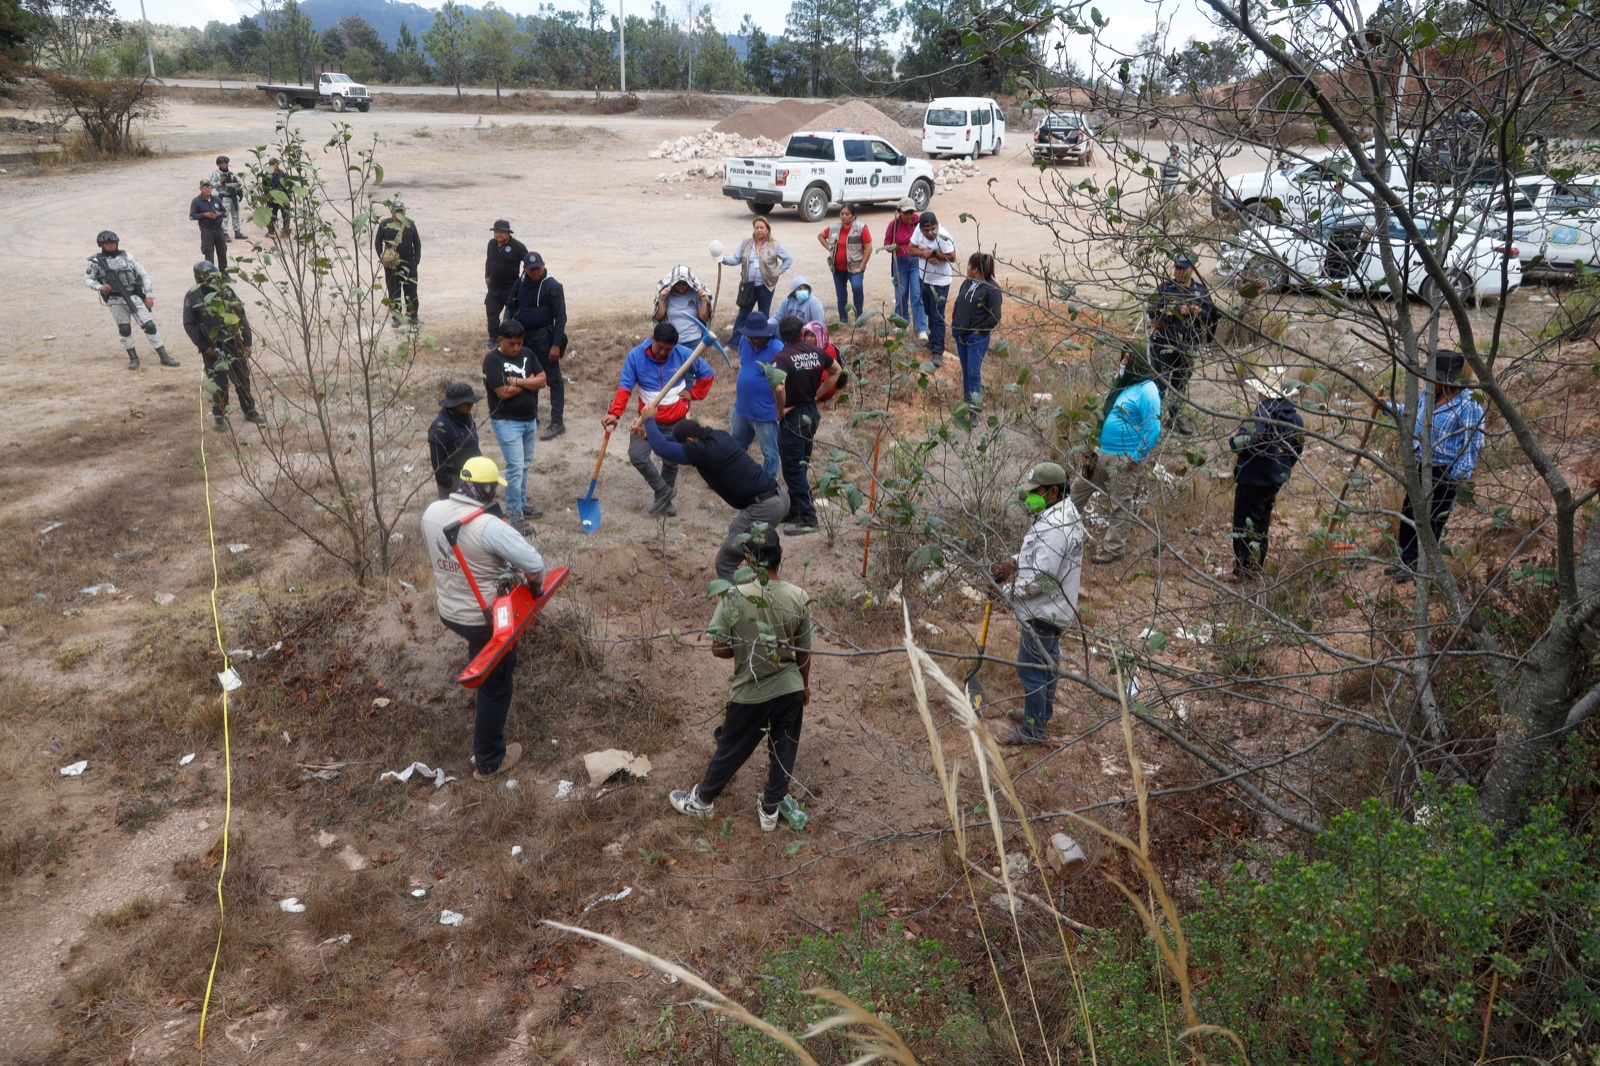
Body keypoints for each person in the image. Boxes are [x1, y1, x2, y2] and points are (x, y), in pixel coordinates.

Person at [669, 525, 811, 831]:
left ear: (747, 560)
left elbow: (718, 648)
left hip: (752, 691)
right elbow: (803, 651)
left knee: (731, 748)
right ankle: (770, 810)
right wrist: (805, 686)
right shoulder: (799, 596)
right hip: (790, 687)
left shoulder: (733, 596)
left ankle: (702, 800)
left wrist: (746, 646)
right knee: (784, 749)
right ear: (781, 552)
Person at [420, 456, 546, 780]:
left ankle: (479, 669)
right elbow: (534, 564)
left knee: (480, 651)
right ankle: (489, 760)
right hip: (483, 618)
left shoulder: (432, 512)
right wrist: (535, 587)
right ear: (488, 488)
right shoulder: (488, 527)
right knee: (497, 682)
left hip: (449, 610)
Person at [992, 462, 1084, 745]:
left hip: (1043, 612)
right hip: (1055, 610)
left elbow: (1039, 580)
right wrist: (1013, 561)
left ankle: (1033, 731)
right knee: (1047, 665)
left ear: (1053, 492)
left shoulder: (1055, 527)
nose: (1030, 497)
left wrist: (1005, 592)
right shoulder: (1064, 513)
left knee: (1031, 669)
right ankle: (1040, 715)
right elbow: (1042, 558)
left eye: (1036, 491)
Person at [637, 417, 789, 580]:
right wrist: (647, 435)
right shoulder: (718, 435)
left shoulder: (702, 451)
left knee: (725, 563)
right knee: (754, 557)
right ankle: (762, 589)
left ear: (690, 441)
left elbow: (662, 448)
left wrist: (648, 418)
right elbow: (668, 443)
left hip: (763, 508)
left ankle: (742, 596)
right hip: (780, 497)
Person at [1386, 349, 1486, 583]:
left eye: (1435, 377)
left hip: (1445, 472)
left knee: (1432, 520)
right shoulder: (1429, 395)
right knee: (1410, 512)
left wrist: (1457, 477)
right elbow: (1411, 416)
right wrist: (1386, 407)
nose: (1429, 381)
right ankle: (1405, 559)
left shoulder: (1469, 404)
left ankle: (1418, 564)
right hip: (1420, 465)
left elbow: (1473, 443)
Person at [602, 322, 716, 517]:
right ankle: (663, 490)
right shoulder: (635, 357)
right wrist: (615, 413)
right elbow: (625, 387)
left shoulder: (684, 354)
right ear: (652, 338)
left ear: (674, 346)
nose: (663, 353)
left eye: (668, 349)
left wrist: (694, 394)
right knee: (637, 456)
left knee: (671, 463)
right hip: (647, 420)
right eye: (659, 347)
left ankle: (664, 501)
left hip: (676, 421)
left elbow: (707, 374)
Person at [1072, 346, 1162, 564]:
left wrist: (1136, 457)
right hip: (1100, 452)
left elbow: (1153, 427)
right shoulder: (1124, 385)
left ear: (1138, 362)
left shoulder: (1148, 389)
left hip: (1124, 458)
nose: (1123, 362)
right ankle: (1058, 530)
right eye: (1123, 357)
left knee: (1120, 504)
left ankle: (1113, 549)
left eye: (1128, 359)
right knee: (1077, 490)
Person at [1228, 371, 1305, 583]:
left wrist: (1234, 443)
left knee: (1244, 525)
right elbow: (1298, 448)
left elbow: (1243, 441)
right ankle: (1255, 567)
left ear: (1264, 392)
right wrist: (1284, 467)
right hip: (1274, 481)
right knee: (1261, 525)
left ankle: (1242, 571)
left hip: (1252, 479)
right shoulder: (1295, 418)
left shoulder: (1262, 414)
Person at [772, 315, 840, 536]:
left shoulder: (781, 359)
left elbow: (779, 388)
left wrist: (781, 409)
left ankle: (809, 517)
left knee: (793, 470)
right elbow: (837, 370)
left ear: (781, 336)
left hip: (794, 418)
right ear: (802, 332)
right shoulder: (817, 352)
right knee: (801, 464)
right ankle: (796, 509)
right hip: (811, 414)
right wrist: (818, 395)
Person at [482, 320, 548, 529]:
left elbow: (542, 380)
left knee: (524, 465)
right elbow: (503, 392)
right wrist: (530, 382)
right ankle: (514, 514)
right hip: (506, 421)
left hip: (529, 420)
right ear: (500, 340)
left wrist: (518, 381)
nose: (516, 348)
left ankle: (521, 503)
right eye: (512, 344)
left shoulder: (527, 353)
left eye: (519, 343)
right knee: (515, 468)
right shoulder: (492, 360)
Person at [183, 260, 263, 431]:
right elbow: (189, 325)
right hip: (211, 347)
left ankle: (249, 410)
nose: (213, 281)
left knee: (242, 378)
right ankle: (220, 415)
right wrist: (204, 346)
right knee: (219, 382)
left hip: (233, 342)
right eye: (209, 279)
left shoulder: (225, 291)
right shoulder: (193, 296)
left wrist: (247, 342)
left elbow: (241, 314)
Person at [84, 230, 179, 371]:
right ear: (101, 245)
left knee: (149, 325)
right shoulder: (95, 262)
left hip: (133, 296)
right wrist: (99, 286)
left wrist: (149, 294)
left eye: (112, 242)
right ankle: (133, 358)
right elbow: (88, 279)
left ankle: (164, 356)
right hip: (115, 299)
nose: (110, 245)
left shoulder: (128, 257)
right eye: (107, 243)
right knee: (124, 328)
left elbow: (143, 275)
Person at [1149, 252, 1216, 437]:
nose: (1178, 272)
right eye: (1176, 268)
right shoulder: (1166, 288)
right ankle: (1154, 421)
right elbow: (1152, 310)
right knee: (1160, 383)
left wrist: (1199, 311)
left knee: (1179, 385)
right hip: (1165, 344)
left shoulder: (1200, 291)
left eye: (1182, 269)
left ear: (1192, 269)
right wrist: (1177, 309)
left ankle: (1174, 419)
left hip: (1188, 346)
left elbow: (1212, 317)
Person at [504, 251, 568, 440]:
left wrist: (556, 345)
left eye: (538, 268)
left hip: (544, 339)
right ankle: (531, 416)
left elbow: (561, 318)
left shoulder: (553, 286)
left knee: (553, 380)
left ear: (543, 265)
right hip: (524, 339)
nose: (535, 272)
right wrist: (506, 324)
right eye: (531, 269)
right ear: (524, 268)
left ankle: (557, 422)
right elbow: (510, 304)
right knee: (527, 377)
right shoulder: (520, 282)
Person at [720, 215, 793, 351]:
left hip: (766, 286)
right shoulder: (745, 243)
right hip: (748, 286)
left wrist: (777, 272)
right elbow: (736, 259)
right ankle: (733, 343)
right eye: (756, 227)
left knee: (763, 315)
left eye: (762, 227)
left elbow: (788, 259)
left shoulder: (775, 245)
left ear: (767, 229)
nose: (759, 230)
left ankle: (762, 341)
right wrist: (721, 258)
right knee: (743, 314)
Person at [730, 311, 784, 481]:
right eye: (749, 336)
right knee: (735, 445)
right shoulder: (744, 341)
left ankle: (769, 482)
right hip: (741, 408)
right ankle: (733, 475)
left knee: (770, 453)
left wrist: (779, 409)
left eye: (756, 337)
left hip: (765, 412)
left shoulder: (777, 348)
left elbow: (781, 384)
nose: (752, 340)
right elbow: (744, 364)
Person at [951, 252, 1003, 406]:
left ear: (975, 269)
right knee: (966, 371)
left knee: (973, 372)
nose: (966, 267)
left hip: (976, 338)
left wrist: (978, 330)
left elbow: (995, 316)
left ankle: (975, 408)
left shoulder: (992, 289)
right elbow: (958, 303)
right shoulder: (967, 283)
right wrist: (955, 322)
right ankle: (967, 402)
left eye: (968, 265)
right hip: (960, 334)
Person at [909, 211, 957, 362]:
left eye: (933, 229)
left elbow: (952, 257)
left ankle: (938, 350)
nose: (930, 233)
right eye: (926, 231)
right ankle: (932, 338)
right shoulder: (918, 231)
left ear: (937, 225)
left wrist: (934, 253)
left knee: (937, 316)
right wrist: (926, 254)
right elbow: (911, 249)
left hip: (940, 282)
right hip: (924, 278)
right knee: (929, 311)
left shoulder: (943, 236)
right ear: (920, 229)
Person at [882, 197, 928, 340]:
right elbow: (887, 244)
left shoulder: (919, 223)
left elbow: (927, 238)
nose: (909, 215)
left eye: (911, 212)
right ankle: (901, 323)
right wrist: (894, 248)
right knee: (901, 294)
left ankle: (921, 328)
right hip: (900, 263)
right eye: (906, 212)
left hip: (916, 262)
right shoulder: (894, 225)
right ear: (900, 212)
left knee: (916, 295)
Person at [428, 382, 484, 500]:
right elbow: (437, 459)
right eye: (466, 403)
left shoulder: (467, 416)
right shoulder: (440, 426)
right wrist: (447, 484)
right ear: (455, 404)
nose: (471, 405)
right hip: (453, 477)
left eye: (471, 402)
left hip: (474, 473)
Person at [818, 202, 872, 323]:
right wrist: (830, 248)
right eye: (842, 214)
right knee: (841, 295)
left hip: (855, 267)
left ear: (854, 216)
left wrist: (861, 267)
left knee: (857, 288)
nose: (844, 216)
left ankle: (859, 317)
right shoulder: (834, 228)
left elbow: (868, 249)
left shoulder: (862, 228)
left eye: (847, 214)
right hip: (837, 269)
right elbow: (820, 236)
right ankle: (843, 320)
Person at [375, 199, 421, 326]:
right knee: (394, 292)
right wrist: (382, 258)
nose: (400, 213)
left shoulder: (410, 224)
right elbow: (378, 242)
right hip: (392, 264)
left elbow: (417, 243)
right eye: (397, 211)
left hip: (409, 263)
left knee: (411, 290)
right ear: (392, 212)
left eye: (401, 211)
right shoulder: (385, 224)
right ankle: (397, 318)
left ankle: (413, 316)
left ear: (405, 211)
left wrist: (416, 261)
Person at [483, 219, 528, 347]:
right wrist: (487, 275)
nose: (498, 234)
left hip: (511, 287)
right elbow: (489, 260)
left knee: (511, 315)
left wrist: (522, 280)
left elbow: (528, 263)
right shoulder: (492, 244)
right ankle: (493, 338)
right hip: (494, 287)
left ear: (508, 232)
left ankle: (509, 339)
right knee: (492, 313)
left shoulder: (517, 246)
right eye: (496, 231)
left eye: (501, 232)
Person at [652, 265, 712, 349]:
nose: (681, 286)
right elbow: (659, 317)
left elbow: (704, 318)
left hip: (693, 340)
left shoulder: (696, 293)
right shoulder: (667, 294)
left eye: (684, 284)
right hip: (672, 340)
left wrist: (704, 301)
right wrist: (661, 299)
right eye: (678, 284)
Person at [190, 179, 228, 271]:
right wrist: (204, 215)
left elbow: (225, 213)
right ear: (200, 189)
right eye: (204, 187)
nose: (207, 189)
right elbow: (192, 216)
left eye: (209, 187)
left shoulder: (216, 199)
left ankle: (224, 274)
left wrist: (219, 214)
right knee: (209, 254)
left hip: (218, 230)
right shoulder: (197, 201)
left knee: (222, 252)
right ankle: (211, 275)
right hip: (207, 230)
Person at [210, 155, 246, 240]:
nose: (224, 165)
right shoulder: (216, 174)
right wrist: (220, 182)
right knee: (224, 216)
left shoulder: (232, 173)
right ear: (218, 164)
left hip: (234, 197)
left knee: (236, 215)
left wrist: (236, 182)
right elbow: (211, 185)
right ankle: (224, 233)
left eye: (225, 163)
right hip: (224, 197)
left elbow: (239, 184)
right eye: (222, 163)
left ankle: (237, 232)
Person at [261, 158, 289, 238]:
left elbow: (287, 185)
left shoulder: (282, 174)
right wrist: (266, 194)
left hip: (281, 198)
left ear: (277, 164)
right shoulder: (267, 175)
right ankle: (271, 231)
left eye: (273, 164)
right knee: (271, 214)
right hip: (272, 198)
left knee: (286, 214)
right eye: (270, 165)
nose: (272, 166)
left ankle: (285, 231)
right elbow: (264, 185)